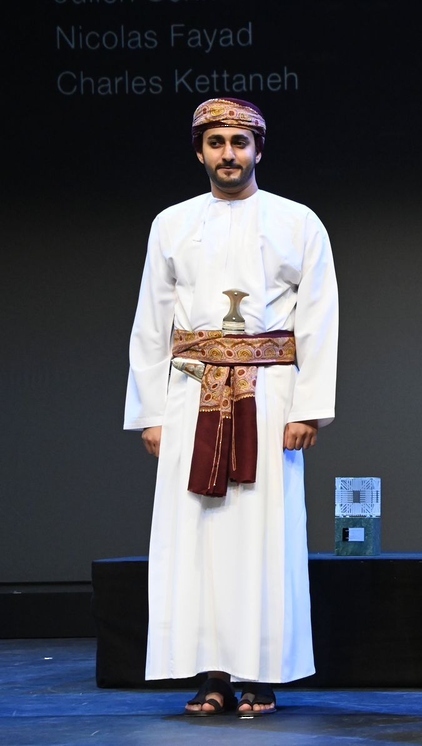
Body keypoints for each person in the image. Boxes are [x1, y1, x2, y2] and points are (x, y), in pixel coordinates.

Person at [124, 97, 339, 717]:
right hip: (191, 394)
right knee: (197, 535)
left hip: (269, 396)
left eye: (239, 143)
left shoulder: (298, 221)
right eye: (216, 142)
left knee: (262, 534)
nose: (228, 154)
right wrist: (150, 413)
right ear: (199, 151)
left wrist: (309, 407)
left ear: (258, 150)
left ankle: (261, 674)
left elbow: (319, 317)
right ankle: (210, 674)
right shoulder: (171, 224)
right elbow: (151, 322)